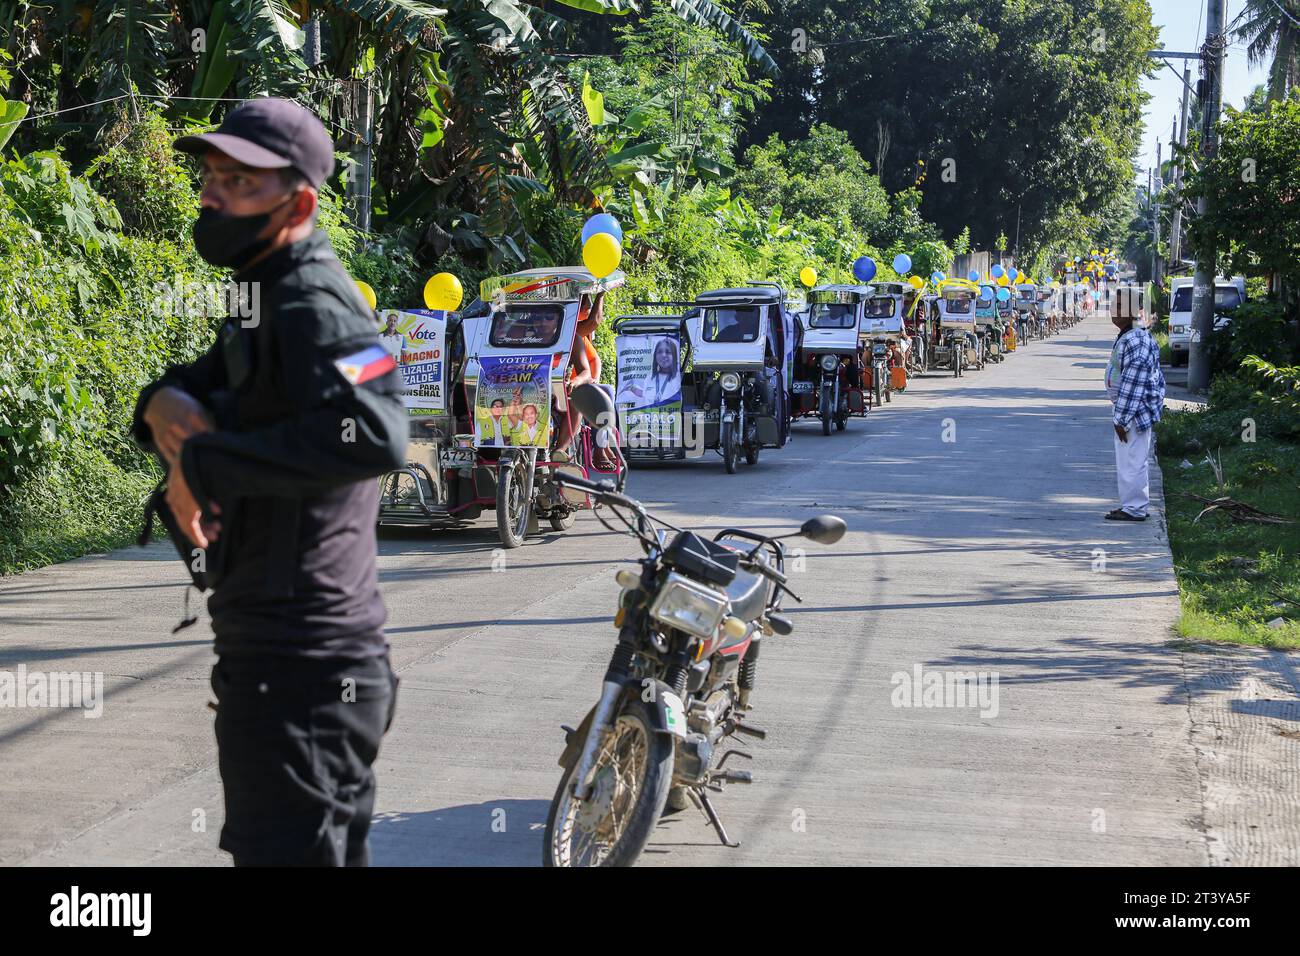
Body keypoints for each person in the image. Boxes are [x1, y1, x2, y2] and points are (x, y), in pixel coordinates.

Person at [132, 98, 407, 865]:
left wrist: (207, 464)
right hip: (275, 658)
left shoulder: (317, 302)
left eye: (240, 182)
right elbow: (206, 385)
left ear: (301, 203)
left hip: (308, 669)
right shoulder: (262, 292)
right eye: (212, 176)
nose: (212, 196)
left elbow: (381, 429)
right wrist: (157, 402)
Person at [1105, 302, 1165, 521]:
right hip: (1131, 411)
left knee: (1133, 460)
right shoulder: (1129, 335)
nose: (1114, 311)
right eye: (1113, 306)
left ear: (1132, 312)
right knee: (1130, 460)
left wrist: (1122, 419)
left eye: (1120, 306)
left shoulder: (1136, 340)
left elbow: (1133, 384)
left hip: (1134, 413)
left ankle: (1135, 508)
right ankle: (1132, 505)